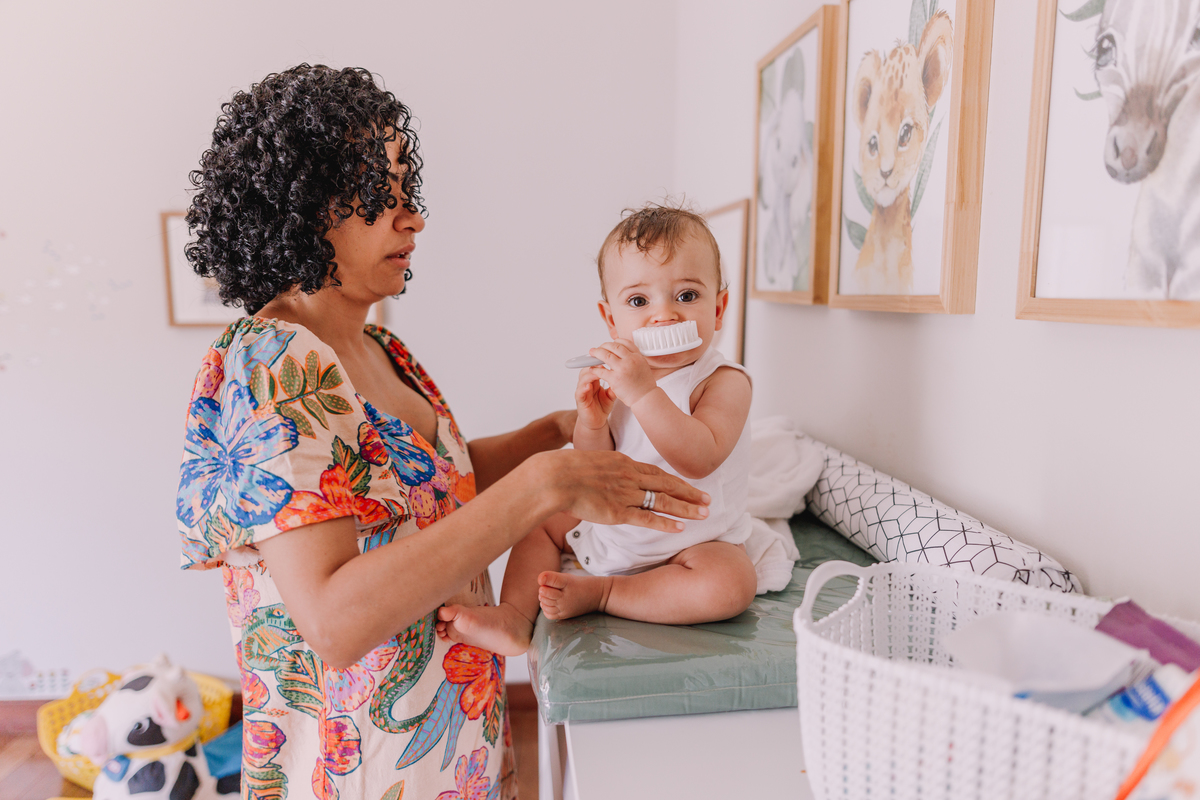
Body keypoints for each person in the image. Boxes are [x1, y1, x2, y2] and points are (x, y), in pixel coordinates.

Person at [175, 65, 709, 800]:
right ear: (298, 207)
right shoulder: (272, 365)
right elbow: (333, 622)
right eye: (377, 196)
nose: (411, 218)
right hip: (359, 768)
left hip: (452, 736)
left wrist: (554, 432)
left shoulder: (379, 348)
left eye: (407, 192)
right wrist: (544, 483)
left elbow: (425, 495)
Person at [437, 204, 759, 657]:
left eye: (686, 296)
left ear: (720, 308)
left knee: (730, 585)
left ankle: (604, 594)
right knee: (540, 518)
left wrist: (645, 395)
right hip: (616, 525)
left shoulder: (724, 381)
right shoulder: (622, 374)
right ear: (611, 319)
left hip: (694, 540)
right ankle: (514, 615)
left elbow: (699, 456)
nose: (663, 315)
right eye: (639, 301)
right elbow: (594, 465)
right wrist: (592, 421)